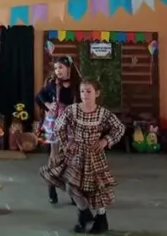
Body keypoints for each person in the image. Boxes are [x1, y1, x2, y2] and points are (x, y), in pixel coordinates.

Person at [39, 78, 125, 234]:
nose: (85, 95)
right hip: (76, 154)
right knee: (72, 186)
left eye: (89, 91)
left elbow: (119, 128)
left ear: (97, 93)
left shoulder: (102, 113)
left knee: (96, 188)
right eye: (82, 91)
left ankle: (101, 218)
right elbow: (59, 126)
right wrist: (67, 142)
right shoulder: (73, 110)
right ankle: (84, 213)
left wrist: (106, 140)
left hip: (94, 155)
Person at [34, 55, 81, 204]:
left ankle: (73, 191)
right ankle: (51, 187)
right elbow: (39, 96)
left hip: (72, 123)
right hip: (55, 123)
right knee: (54, 156)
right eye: (55, 68)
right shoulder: (52, 84)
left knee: (72, 157)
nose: (57, 71)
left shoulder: (78, 85)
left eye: (60, 67)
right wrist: (48, 105)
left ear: (69, 68)